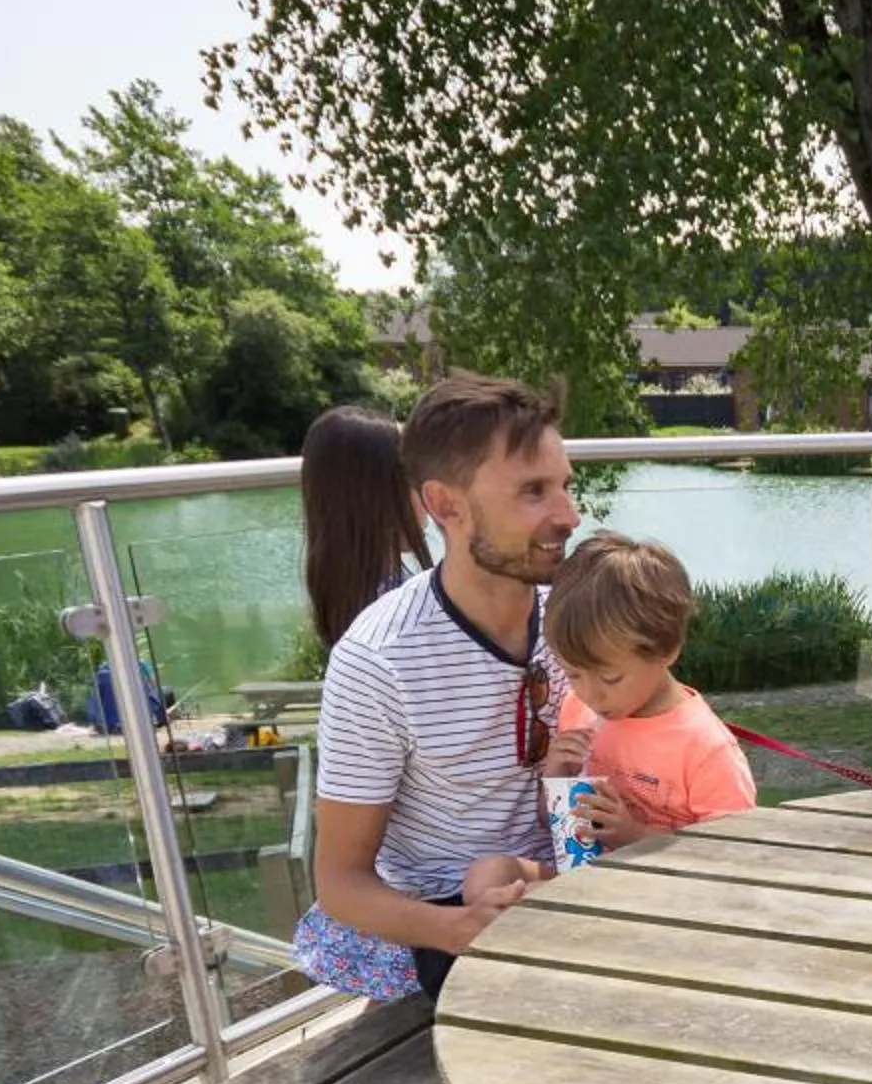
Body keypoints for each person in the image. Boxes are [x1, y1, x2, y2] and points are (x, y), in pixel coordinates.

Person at [308, 372, 579, 999]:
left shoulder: (574, 610)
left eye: (566, 484)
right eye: (534, 492)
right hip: (452, 913)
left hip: (570, 878)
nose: (569, 514)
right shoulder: (378, 661)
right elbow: (341, 882)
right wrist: (461, 927)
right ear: (446, 505)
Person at [542, 530, 758, 848]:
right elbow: (565, 835)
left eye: (611, 678)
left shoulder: (703, 748)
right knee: (493, 872)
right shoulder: (578, 710)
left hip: (664, 893)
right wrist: (557, 777)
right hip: (589, 882)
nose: (590, 694)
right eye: (573, 674)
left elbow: (732, 853)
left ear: (666, 650)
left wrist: (635, 837)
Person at [300, 405, 429, 652]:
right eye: (413, 479)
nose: (426, 493)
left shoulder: (342, 595)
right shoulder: (399, 609)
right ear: (379, 498)